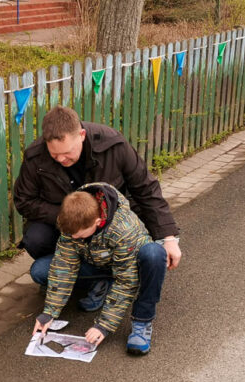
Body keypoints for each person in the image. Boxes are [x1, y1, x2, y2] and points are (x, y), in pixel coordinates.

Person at [13, 106, 181, 310]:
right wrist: (72, 216)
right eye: (54, 154)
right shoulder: (35, 156)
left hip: (113, 222)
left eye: (66, 153)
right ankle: (89, 278)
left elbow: (146, 188)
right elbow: (24, 200)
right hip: (67, 226)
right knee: (35, 242)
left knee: (149, 252)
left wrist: (168, 237)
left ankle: (111, 276)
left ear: (81, 135)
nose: (60, 160)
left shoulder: (113, 144)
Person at [31, 182, 168, 355]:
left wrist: (104, 326)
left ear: (97, 222)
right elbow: (64, 265)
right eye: (71, 234)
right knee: (40, 271)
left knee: (154, 255)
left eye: (79, 235)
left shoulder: (124, 229)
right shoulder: (71, 219)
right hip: (98, 261)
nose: (74, 237)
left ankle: (142, 320)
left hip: (131, 264)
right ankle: (103, 281)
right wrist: (49, 312)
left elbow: (126, 281)